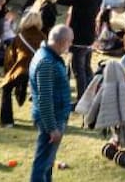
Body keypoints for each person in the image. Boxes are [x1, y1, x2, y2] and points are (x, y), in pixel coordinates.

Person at [29, 25, 74, 182]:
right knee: (42, 165)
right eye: (70, 42)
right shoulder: (46, 62)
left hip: (54, 115)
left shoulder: (47, 56)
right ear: (63, 42)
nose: (70, 45)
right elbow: (45, 98)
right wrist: (52, 128)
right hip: (51, 119)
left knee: (47, 163)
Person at [56, 0, 101, 103]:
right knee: (86, 68)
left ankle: (82, 99)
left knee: (78, 70)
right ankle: (91, 95)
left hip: (78, 37)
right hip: (89, 35)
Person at [1, 10, 46, 128]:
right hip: (38, 71)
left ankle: (7, 121)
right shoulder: (43, 37)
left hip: (22, 69)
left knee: (6, 89)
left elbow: (10, 57)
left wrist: (7, 73)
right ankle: (40, 122)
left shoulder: (19, 37)